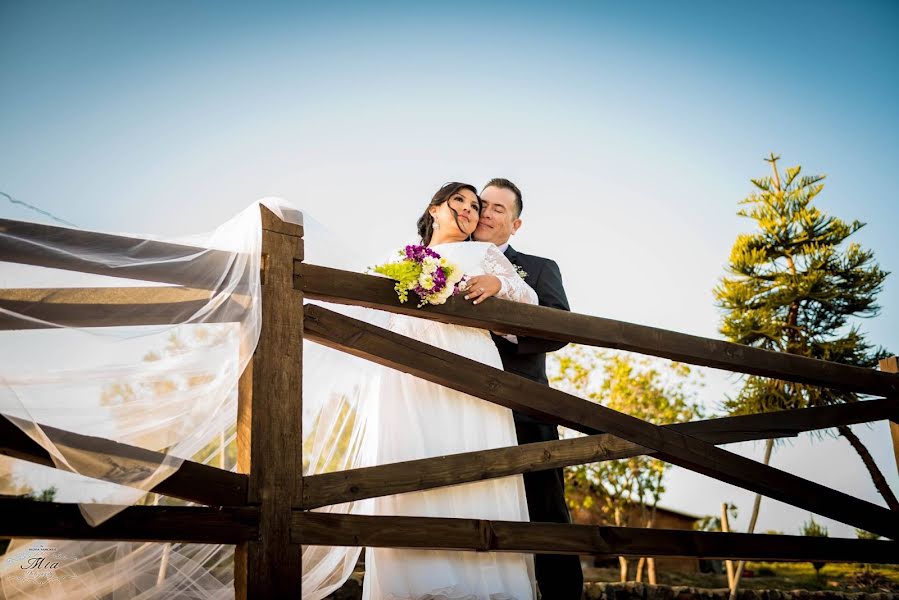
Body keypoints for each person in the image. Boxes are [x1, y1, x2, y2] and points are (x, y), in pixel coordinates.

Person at [359, 182, 539, 599]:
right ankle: (417, 580)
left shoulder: (482, 255)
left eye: (475, 206)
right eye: (458, 200)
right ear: (434, 209)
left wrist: (497, 283)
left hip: (468, 367)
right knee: (411, 459)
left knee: (470, 456)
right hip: (406, 376)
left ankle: (480, 581)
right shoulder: (400, 257)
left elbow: (529, 303)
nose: (469, 209)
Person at [473, 178, 584, 600]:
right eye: (482, 204)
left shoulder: (539, 267)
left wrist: (504, 315)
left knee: (546, 511)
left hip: (525, 404)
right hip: (459, 404)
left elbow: (560, 327)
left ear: (516, 225)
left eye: (498, 209)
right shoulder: (445, 260)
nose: (486, 213)